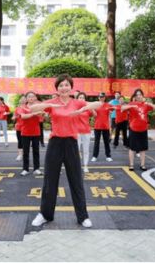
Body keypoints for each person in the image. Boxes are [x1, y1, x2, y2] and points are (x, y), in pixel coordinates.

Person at [30, 74, 102, 228]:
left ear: (71, 87)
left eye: (66, 85)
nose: (64, 88)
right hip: (55, 143)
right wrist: (51, 107)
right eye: (61, 85)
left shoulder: (76, 102)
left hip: (71, 143)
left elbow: (98, 104)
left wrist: (83, 108)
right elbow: (32, 108)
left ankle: (82, 216)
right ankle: (45, 214)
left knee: (76, 180)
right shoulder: (53, 102)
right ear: (57, 88)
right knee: (50, 181)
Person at [122, 89, 155, 171]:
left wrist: (148, 103)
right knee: (132, 148)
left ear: (142, 96)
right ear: (135, 96)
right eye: (137, 95)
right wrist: (131, 106)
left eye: (140, 94)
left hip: (143, 129)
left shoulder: (145, 105)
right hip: (133, 129)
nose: (139, 96)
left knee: (143, 148)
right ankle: (131, 165)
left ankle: (143, 165)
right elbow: (122, 108)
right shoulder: (132, 104)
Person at [19, 91, 43, 176]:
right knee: (26, 152)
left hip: (36, 132)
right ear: (26, 98)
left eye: (33, 96)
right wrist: (34, 114)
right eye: (29, 96)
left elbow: (41, 118)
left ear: (35, 98)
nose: (31, 98)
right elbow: (23, 116)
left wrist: (42, 113)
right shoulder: (22, 107)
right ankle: (25, 169)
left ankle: (36, 169)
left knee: (36, 151)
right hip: (25, 132)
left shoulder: (38, 107)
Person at [91, 92, 114, 162]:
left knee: (106, 142)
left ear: (105, 98)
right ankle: (95, 156)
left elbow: (115, 108)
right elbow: (94, 114)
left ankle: (108, 156)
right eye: (100, 97)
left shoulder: (108, 105)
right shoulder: (95, 105)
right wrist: (92, 108)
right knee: (96, 142)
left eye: (103, 97)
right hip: (97, 126)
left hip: (105, 126)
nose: (102, 98)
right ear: (98, 98)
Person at [76, 92, 94, 173]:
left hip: (86, 131)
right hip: (76, 131)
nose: (81, 99)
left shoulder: (87, 108)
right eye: (80, 97)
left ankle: (85, 166)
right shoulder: (75, 107)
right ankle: (75, 166)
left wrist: (91, 107)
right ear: (77, 99)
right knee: (76, 150)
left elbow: (95, 114)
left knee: (86, 150)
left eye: (83, 97)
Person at [12, 96, 26, 161]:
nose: (23, 100)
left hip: (26, 127)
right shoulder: (17, 108)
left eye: (24, 99)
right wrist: (15, 117)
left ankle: (25, 154)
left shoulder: (28, 108)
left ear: (26, 100)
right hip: (19, 127)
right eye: (21, 99)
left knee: (25, 142)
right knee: (20, 141)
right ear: (20, 101)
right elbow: (13, 117)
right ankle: (20, 154)